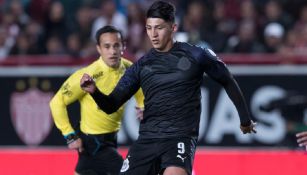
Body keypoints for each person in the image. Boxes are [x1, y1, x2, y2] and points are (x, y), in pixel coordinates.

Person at [80, 1, 256, 175]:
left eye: (159, 28)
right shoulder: (141, 66)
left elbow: (227, 80)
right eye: (149, 28)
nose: (153, 34)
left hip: (180, 139)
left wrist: (245, 120)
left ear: (173, 28)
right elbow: (111, 104)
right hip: (147, 140)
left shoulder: (196, 55)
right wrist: (94, 91)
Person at [49, 25, 144, 175]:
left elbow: (139, 88)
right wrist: (69, 135)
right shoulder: (87, 75)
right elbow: (56, 102)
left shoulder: (129, 68)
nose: (112, 51)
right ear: (99, 49)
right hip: (93, 143)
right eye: (107, 46)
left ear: (123, 46)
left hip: (110, 140)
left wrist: (142, 105)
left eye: (116, 45)